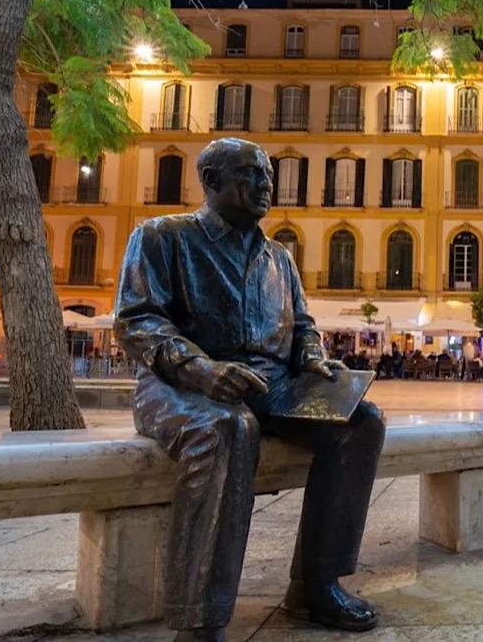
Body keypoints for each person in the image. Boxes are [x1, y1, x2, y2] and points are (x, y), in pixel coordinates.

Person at [115, 139, 383, 640]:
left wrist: (311, 357)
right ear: (211, 181)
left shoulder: (278, 257)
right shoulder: (162, 236)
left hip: (273, 385)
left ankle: (315, 585)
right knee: (228, 429)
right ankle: (200, 618)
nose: (265, 184)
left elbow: (302, 324)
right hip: (178, 384)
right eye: (250, 175)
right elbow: (137, 321)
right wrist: (202, 369)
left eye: (266, 174)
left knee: (362, 421)